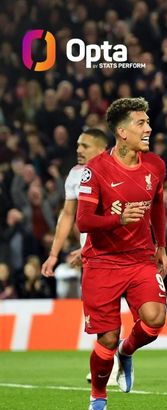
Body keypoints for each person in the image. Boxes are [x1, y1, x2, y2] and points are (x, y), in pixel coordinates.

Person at [76, 97, 167, 410]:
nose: (148, 128)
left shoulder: (155, 165)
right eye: (141, 123)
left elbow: (157, 204)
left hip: (141, 257)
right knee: (107, 336)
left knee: (155, 318)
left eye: (147, 122)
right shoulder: (96, 170)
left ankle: (127, 351)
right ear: (122, 132)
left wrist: (161, 246)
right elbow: (83, 222)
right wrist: (119, 219)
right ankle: (98, 397)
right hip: (102, 262)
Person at [38, 129, 118, 386]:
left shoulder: (117, 172)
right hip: (93, 254)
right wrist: (53, 254)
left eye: (85, 145)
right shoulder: (74, 175)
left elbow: (117, 218)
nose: (79, 149)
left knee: (135, 310)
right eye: (77, 144)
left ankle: (121, 355)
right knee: (102, 309)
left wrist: (88, 248)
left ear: (102, 149)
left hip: (120, 250)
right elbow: (67, 215)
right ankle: (112, 360)